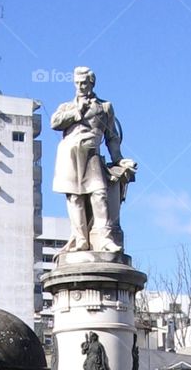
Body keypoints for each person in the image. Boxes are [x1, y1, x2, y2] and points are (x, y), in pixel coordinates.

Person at [51, 66, 135, 254]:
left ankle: (104, 238)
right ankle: (80, 239)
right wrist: (75, 112)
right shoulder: (67, 107)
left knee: (99, 193)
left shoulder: (104, 107)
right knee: (75, 197)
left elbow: (111, 137)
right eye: (77, 83)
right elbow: (54, 122)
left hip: (91, 154)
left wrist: (119, 160)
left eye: (84, 83)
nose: (80, 86)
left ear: (92, 83)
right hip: (69, 155)